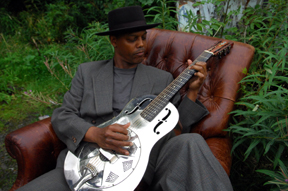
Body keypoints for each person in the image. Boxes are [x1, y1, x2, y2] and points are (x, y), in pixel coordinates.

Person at [17, 6, 233, 191]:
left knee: (191, 141)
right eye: (132, 39)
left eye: (143, 37)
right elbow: (62, 115)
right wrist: (95, 134)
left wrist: (193, 91)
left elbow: (176, 129)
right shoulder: (88, 72)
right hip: (86, 163)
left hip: (139, 165)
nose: (141, 44)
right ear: (114, 41)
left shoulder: (162, 79)